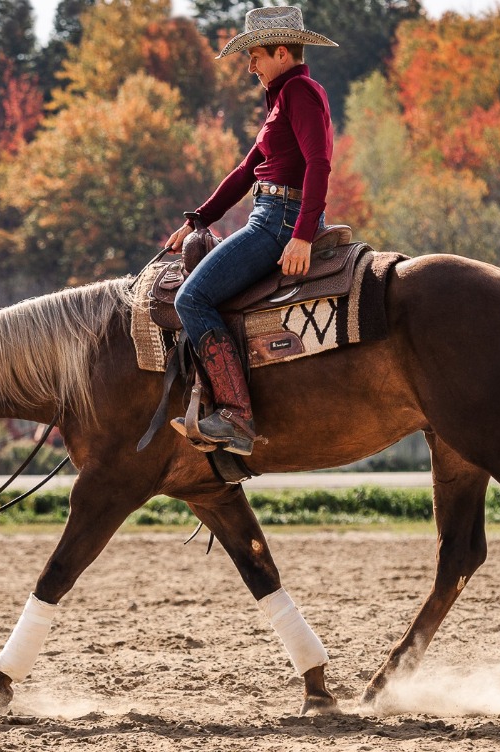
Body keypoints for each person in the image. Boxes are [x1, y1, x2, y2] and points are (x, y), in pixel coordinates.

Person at [163, 5, 337, 457]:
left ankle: (237, 416)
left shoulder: (300, 92)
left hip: (279, 220)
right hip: (273, 213)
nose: (250, 66)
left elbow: (319, 163)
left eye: (255, 55)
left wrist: (300, 234)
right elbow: (248, 170)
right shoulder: (282, 99)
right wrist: (198, 219)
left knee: (191, 298)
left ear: (282, 52)